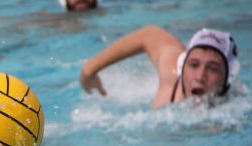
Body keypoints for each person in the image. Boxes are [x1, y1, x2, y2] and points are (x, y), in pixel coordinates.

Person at [79, 26, 240, 108]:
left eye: (212, 68)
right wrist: (89, 70)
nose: (200, 76)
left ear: (229, 77)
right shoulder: (171, 76)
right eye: (193, 65)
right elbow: (148, 34)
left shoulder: (236, 108)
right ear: (182, 66)